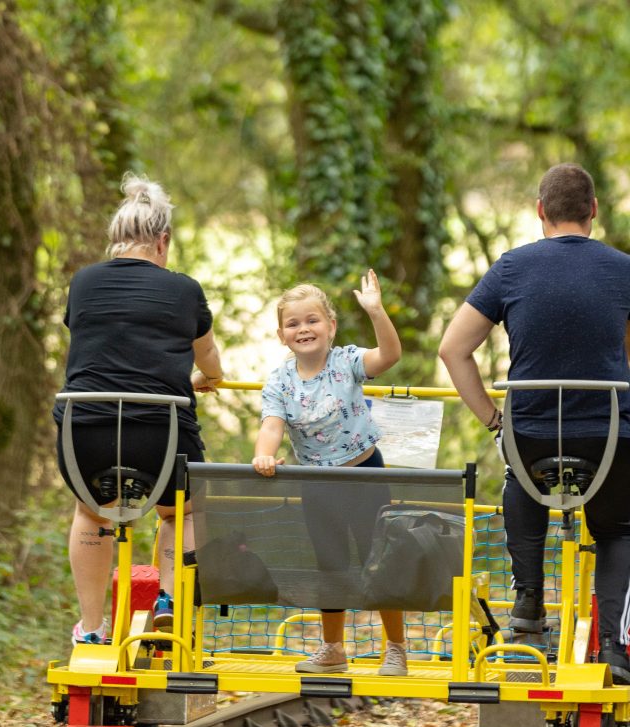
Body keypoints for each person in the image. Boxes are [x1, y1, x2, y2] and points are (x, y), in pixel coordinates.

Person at [438, 162, 630, 684]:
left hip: (531, 433)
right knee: (617, 530)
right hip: (609, 433)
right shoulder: (623, 269)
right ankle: (615, 648)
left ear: (540, 210)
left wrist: (493, 420)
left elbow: (453, 349)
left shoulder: (511, 269)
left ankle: (527, 610)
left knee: (518, 477)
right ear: (593, 210)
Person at [53, 172, 225, 645]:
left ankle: (91, 629)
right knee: (182, 511)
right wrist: (209, 378)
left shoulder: (83, 282)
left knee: (92, 513)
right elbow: (208, 358)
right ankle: (167, 600)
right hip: (160, 431)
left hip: (83, 428)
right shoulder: (185, 290)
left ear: (117, 237)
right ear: (162, 240)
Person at [252, 269, 408, 676]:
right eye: (293, 323)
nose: (303, 329)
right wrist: (264, 456)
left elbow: (389, 356)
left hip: (365, 475)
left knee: (378, 560)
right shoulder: (280, 381)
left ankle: (396, 647)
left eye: (312, 320)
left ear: (331, 326)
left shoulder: (346, 361)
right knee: (330, 563)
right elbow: (271, 426)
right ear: (282, 335)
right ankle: (333, 648)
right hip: (318, 483)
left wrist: (376, 311)